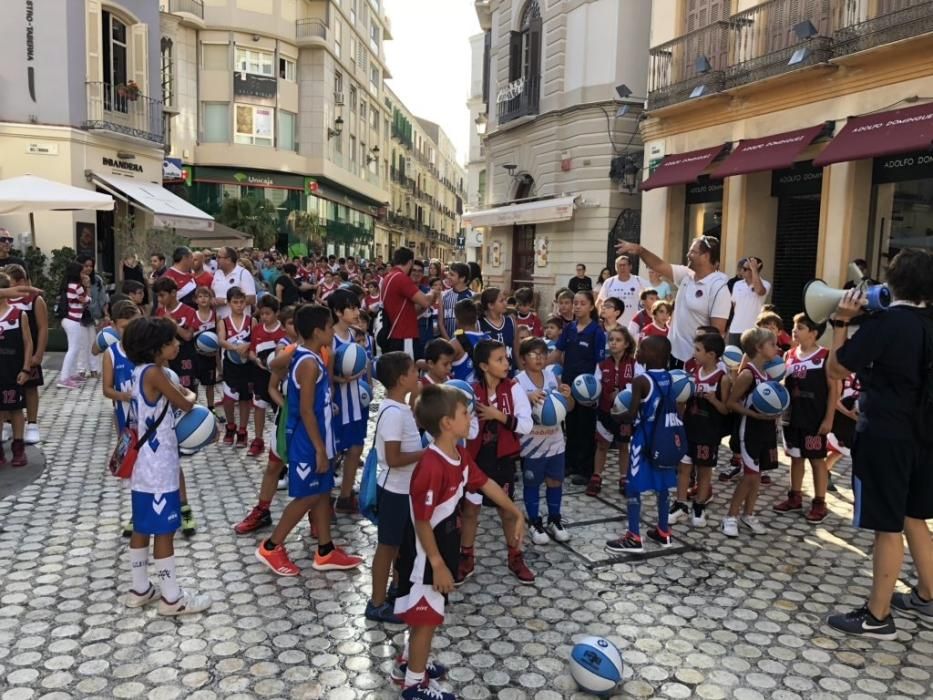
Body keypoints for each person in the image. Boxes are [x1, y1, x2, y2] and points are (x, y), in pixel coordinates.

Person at [825, 249, 933, 639]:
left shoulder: (888, 323)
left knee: (887, 525)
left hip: (887, 434)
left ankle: (878, 615)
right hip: (925, 435)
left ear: (893, 282)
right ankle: (927, 594)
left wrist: (841, 322)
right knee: (912, 515)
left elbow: (836, 368)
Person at [393, 384, 524, 699]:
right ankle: (414, 684)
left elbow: (485, 483)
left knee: (423, 613)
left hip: (442, 546)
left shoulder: (460, 455)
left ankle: (408, 662)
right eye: (465, 413)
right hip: (426, 554)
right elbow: (422, 521)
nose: (471, 419)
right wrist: (437, 564)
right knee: (426, 618)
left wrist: (513, 510)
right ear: (446, 423)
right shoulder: (431, 466)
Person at [255, 304, 363, 576]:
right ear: (318, 331)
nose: (331, 332)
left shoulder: (313, 357)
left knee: (323, 493)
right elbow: (304, 410)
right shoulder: (306, 362)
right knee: (308, 496)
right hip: (307, 441)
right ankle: (271, 546)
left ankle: (325, 550)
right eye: (328, 327)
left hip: (321, 438)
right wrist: (318, 448)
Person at [121, 316, 211, 615]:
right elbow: (186, 403)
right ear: (156, 348)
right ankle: (172, 599)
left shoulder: (137, 371)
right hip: (159, 466)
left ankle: (139, 588)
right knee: (164, 530)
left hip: (143, 464)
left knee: (142, 525)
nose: (177, 344)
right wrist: (192, 395)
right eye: (171, 341)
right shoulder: (156, 373)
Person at [461, 340, 534, 584]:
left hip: (503, 460)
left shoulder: (513, 389)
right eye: (499, 360)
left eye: (506, 358)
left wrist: (498, 416)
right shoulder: (470, 392)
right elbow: (468, 432)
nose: (506, 363)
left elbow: (526, 425)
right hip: (475, 461)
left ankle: (515, 556)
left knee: (506, 510)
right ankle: (466, 556)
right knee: (470, 510)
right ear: (483, 365)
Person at [605, 335, 680, 553]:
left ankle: (633, 537)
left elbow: (630, 414)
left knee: (633, 486)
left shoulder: (641, 381)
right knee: (664, 487)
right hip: (665, 439)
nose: (638, 351)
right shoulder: (669, 378)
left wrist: (615, 414)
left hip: (644, 439)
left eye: (643, 348)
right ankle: (663, 532)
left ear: (654, 355)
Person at [365, 352, 424, 624]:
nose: (417, 375)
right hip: (394, 491)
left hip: (405, 490)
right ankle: (376, 604)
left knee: (401, 545)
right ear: (402, 379)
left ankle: (396, 591)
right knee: (387, 547)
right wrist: (426, 454)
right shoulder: (392, 413)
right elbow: (393, 459)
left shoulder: (401, 408)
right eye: (413, 372)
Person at [233, 307, 298, 535]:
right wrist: (288, 408)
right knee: (273, 465)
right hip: (288, 418)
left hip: (315, 417)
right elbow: (272, 385)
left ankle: (320, 517)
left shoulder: (319, 350)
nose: (294, 327)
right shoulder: (285, 349)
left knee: (317, 468)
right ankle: (262, 510)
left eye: (296, 322)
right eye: (290, 323)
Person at [618, 236, 731, 367]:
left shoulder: (719, 288)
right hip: (673, 354)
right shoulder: (686, 275)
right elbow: (659, 265)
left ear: (706, 256)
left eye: (693, 252)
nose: (688, 255)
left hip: (695, 361)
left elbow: (716, 332)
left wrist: (701, 362)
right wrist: (640, 250)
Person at [772, 314, 838, 523]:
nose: (794, 331)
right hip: (792, 416)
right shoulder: (789, 355)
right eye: (794, 327)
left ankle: (819, 502)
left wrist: (829, 419)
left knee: (817, 460)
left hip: (814, 418)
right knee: (795, 456)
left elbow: (833, 390)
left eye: (800, 327)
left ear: (814, 333)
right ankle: (795, 496)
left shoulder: (825, 356)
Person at [721, 328, 781, 538]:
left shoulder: (766, 373)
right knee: (749, 476)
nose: (777, 347)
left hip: (765, 429)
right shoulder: (748, 374)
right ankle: (730, 516)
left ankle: (749, 514)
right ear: (758, 348)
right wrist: (755, 415)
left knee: (756, 477)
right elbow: (731, 403)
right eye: (772, 344)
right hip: (749, 429)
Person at [516, 337, 573, 544]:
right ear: (523, 360)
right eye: (533, 354)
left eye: (543, 353)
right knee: (532, 483)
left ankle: (554, 519)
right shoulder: (518, 381)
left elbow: (568, 408)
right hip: (531, 444)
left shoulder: (551, 376)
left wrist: (568, 397)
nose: (539, 358)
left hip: (555, 441)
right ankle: (534, 521)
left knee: (555, 481)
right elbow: (513, 411)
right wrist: (526, 398)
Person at [670, 332, 730, 527]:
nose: (693, 353)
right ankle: (680, 504)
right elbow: (683, 404)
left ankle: (700, 505)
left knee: (704, 470)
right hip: (690, 428)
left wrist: (714, 400)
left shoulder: (722, 378)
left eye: (698, 350)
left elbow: (726, 409)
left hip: (709, 432)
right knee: (684, 468)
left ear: (711, 355)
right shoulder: (692, 374)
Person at [549, 291, 605, 485]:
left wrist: (595, 390)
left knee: (586, 428)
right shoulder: (569, 328)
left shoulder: (597, 332)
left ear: (591, 307)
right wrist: (539, 367)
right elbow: (558, 352)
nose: (577, 306)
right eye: (576, 303)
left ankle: (585, 469)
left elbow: (600, 362)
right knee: (570, 426)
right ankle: (570, 463)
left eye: (582, 303)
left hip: (587, 390)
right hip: (568, 386)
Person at [328, 289, 368, 513]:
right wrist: (340, 378)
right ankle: (322, 501)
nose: (356, 311)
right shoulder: (328, 338)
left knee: (355, 448)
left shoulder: (354, 335)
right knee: (331, 452)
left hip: (354, 400)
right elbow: (323, 374)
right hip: (336, 403)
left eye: (356, 307)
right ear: (337, 311)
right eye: (351, 308)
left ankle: (345, 495)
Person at [588, 326, 636, 497]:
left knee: (624, 446)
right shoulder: (602, 365)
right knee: (602, 446)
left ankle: (624, 478)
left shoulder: (635, 365)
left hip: (625, 415)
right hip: (605, 412)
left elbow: (641, 387)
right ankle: (596, 476)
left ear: (627, 344)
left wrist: (624, 393)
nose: (614, 343)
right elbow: (595, 386)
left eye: (618, 340)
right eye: (611, 340)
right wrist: (590, 393)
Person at [7, 264, 47, 445]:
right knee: (8, 388)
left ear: (21, 282)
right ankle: (9, 423)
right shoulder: (5, 300)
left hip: (28, 351)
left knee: (30, 387)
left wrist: (38, 353)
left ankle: (32, 424)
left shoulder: (34, 300)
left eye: (10, 283)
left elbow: (43, 328)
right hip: (8, 354)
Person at [0, 272, 32, 467]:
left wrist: (26, 368)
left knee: (15, 409)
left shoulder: (18, 314)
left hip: (12, 369)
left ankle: (18, 446)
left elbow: (28, 343)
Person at [248, 295, 286, 458]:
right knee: (259, 406)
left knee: (281, 408)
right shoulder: (257, 330)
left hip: (279, 376)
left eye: (268, 313)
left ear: (276, 313)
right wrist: (256, 359)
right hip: (261, 374)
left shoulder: (283, 331)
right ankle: (258, 439)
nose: (264, 317)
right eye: (262, 314)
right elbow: (251, 350)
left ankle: (281, 440)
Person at [380, 248, 436, 357]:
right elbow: (425, 301)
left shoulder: (389, 276)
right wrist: (433, 292)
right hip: (404, 335)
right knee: (407, 370)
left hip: (396, 333)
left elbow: (409, 309)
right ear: (410, 262)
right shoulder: (401, 278)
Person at [217, 286, 255, 447]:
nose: (239, 305)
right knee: (228, 398)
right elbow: (221, 340)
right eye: (235, 302)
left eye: (241, 302)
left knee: (245, 398)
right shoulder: (223, 322)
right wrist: (236, 348)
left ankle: (242, 430)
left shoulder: (251, 320)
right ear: (229, 303)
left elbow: (255, 339)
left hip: (246, 365)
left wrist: (247, 346)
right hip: (231, 364)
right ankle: (230, 426)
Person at [153, 276, 200, 394]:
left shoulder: (189, 311)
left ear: (173, 293)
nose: (159, 299)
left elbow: (188, 336)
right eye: (157, 296)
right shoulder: (159, 312)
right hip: (165, 359)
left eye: (162, 295)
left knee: (187, 391)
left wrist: (172, 323)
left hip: (185, 357)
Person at [58, 261, 91, 389]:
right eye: (82, 272)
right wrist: (87, 286)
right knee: (73, 349)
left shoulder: (68, 285)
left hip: (68, 319)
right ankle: (64, 378)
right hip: (73, 320)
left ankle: (70, 374)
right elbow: (87, 300)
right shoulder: (77, 286)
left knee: (74, 348)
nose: (84, 274)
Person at [728, 256, 771, 346]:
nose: (741, 271)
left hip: (753, 331)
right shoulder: (737, 284)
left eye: (745, 269)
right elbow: (735, 306)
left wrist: (754, 269)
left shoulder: (765, 284)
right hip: (735, 330)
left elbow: (759, 291)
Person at [596, 255, 645, 326]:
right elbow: (600, 301)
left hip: (634, 325)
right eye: (619, 265)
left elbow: (653, 297)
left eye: (624, 265)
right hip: (612, 325)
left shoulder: (639, 281)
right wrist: (598, 318)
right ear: (616, 268)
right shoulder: (609, 282)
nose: (622, 268)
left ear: (630, 266)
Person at [478, 288, 519, 373]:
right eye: (501, 301)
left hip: (510, 373)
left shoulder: (511, 321)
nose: (505, 303)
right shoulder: (479, 324)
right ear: (490, 305)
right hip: (491, 374)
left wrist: (521, 370)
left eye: (505, 300)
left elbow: (516, 349)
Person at [192, 287, 219, 417]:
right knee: (195, 382)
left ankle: (211, 407)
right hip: (197, 356)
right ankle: (194, 406)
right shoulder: (192, 315)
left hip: (211, 356)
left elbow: (219, 336)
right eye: (200, 296)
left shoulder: (215, 316)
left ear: (211, 299)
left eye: (206, 296)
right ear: (196, 300)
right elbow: (190, 336)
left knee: (210, 384)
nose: (203, 299)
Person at [212, 247, 257, 320]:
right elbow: (213, 292)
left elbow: (252, 299)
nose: (216, 260)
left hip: (239, 324)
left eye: (219, 257)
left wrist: (225, 301)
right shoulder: (217, 273)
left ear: (228, 260)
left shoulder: (243, 273)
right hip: (220, 323)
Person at [440, 263, 472, 338]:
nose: (448, 276)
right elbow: (440, 323)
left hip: (467, 343)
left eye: (452, 274)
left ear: (462, 278)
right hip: (447, 342)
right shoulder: (444, 295)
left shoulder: (473, 296)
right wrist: (449, 342)